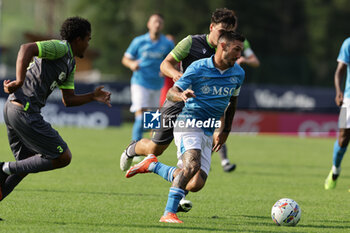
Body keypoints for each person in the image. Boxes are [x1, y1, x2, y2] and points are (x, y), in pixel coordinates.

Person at [126, 31, 245, 223]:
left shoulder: (238, 73)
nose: (239, 55)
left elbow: (233, 101)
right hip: (187, 120)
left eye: (241, 50)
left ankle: (152, 165)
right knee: (191, 164)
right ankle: (168, 213)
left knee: (195, 183)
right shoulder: (198, 65)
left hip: (208, 127)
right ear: (223, 46)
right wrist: (180, 95)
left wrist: (225, 131)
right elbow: (173, 91)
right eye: (236, 49)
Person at [0, 17, 111, 202]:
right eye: (88, 39)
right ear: (78, 40)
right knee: (62, 156)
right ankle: (3, 168)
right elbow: (26, 48)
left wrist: (92, 96)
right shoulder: (60, 48)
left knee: (26, 165)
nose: (88, 44)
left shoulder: (70, 64)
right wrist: (19, 80)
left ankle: (5, 170)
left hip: (14, 108)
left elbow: (68, 100)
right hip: (24, 110)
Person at [120, 8, 237, 173]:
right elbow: (165, 64)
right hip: (173, 97)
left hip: (199, 107)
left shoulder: (227, 53)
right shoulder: (191, 42)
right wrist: (176, 74)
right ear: (211, 27)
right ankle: (133, 148)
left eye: (230, 33)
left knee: (193, 160)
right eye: (222, 31)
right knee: (155, 148)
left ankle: (181, 194)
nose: (225, 37)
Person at [121, 13, 174, 142]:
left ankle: (148, 151)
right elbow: (125, 59)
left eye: (159, 22)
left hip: (157, 85)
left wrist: (166, 70)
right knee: (141, 116)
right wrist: (132, 64)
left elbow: (173, 61)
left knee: (152, 121)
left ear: (162, 26)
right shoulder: (139, 41)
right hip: (140, 83)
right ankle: (134, 148)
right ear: (148, 24)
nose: (157, 24)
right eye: (154, 21)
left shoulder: (167, 43)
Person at [324, 37, 350, 190]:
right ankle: (335, 171)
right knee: (343, 138)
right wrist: (338, 92)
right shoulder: (348, 43)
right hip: (348, 98)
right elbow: (340, 70)